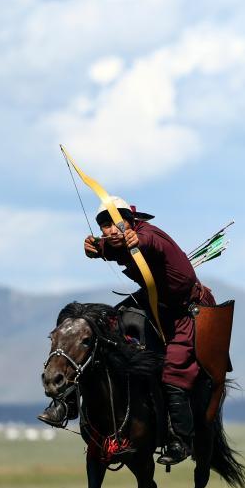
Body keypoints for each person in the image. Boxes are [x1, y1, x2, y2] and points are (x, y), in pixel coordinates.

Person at [38, 196, 213, 466]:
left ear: (130, 221)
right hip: (152, 302)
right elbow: (109, 246)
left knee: (174, 370)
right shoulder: (117, 241)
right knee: (98, 331)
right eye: (104, 226)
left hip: (183, 311)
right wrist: (93, 248)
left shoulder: (150, 235)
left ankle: (180, 440)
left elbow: (148, 242)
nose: (110, 230)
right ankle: (65, 404)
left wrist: (135, 239)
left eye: (116, 223)